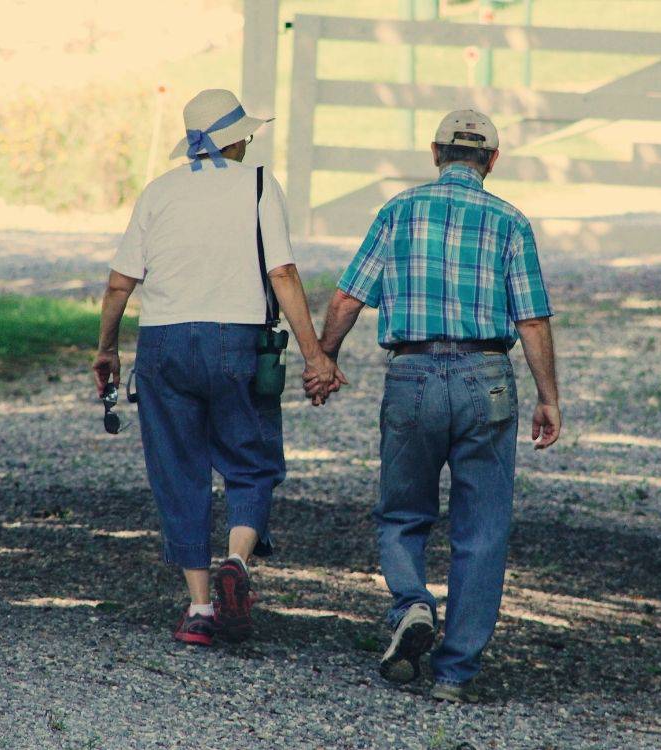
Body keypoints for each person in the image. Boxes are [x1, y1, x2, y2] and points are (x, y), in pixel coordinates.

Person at [311, 110, 561, 702]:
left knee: (402, 512)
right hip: (487, 378)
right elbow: (531, 317)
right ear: (492, 161)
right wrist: (548, 397)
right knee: (483, 527)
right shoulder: (510, 222)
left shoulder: (397, 212)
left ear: (434, 152)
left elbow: (349, 297)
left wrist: (323, 359)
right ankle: (454, 673)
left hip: (413, 374)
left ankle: (412, 603)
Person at [93, 89, 343, 647]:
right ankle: (237, 559)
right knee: (250, 462)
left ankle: (201, 608)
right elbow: (282, 273)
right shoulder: (257, 185)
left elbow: (118, 284)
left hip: (164, 344)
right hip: (237, 340)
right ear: (235, 139)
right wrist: (315, 355)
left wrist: (107, 348)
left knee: (178, 472)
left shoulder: (157, 193)